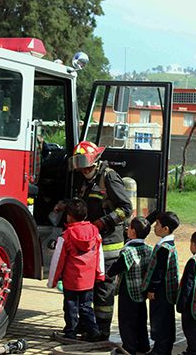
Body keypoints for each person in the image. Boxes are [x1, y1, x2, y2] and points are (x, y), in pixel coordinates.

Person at [63, 140, 133, 339]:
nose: (83, 170)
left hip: (110, 243)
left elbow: (126, 209)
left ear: (95, 161)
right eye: (80, 166)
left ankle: (102, 330)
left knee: (104, 289)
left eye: (85, 165)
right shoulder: (87, 180)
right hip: (92, 243)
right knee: (89, 288)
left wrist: (103, 222)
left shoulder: (109, 178)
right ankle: (88, 326)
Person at [47, 199, 104, 341]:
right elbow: (99, 255)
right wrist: (100, 274)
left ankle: (70, 332)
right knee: (86, 306)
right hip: (88, 280)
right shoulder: (95, 232)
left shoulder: (66, 236)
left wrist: (52, 281)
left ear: (69, 216)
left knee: (71, 307)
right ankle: (93, 330)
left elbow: (57, 261)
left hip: (71, 281)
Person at [107, 217, 153, 354]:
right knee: (141, 319)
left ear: (133, 232)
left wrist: (107, 274)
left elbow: (118, 267)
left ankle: (129, 347)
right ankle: (143, 346)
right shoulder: (149, 248)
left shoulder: (128, 251)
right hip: (142, 290)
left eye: (130, 227)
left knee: (127, 321)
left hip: (128, 290)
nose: (127, 229)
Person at [142, 211, 180, 354]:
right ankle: (165, 347)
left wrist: (152, 289)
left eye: (157, 224)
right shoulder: (169, 243)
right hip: (168, 290)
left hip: (161, 290)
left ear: (166, 229)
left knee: (159, 319)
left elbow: (159, 271)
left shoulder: (163, 248)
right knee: (166, 318)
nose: (154, 227)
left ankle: (160, 349)